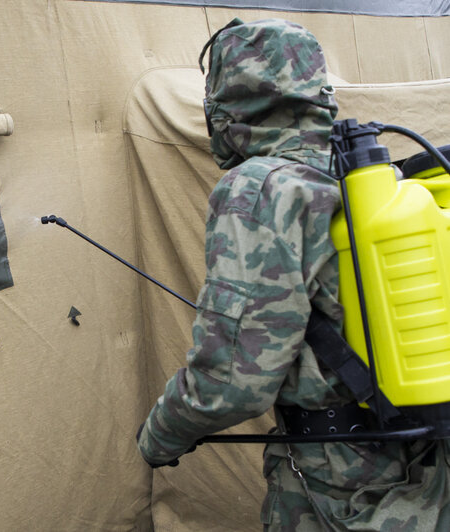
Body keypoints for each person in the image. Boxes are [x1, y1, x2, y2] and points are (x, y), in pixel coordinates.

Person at [136, 18, 450, 531]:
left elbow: (234, 381)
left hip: (338, 487)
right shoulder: (365, 175)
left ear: (224, 107)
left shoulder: (260, 188)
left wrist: (160, 435)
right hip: (421, 465)